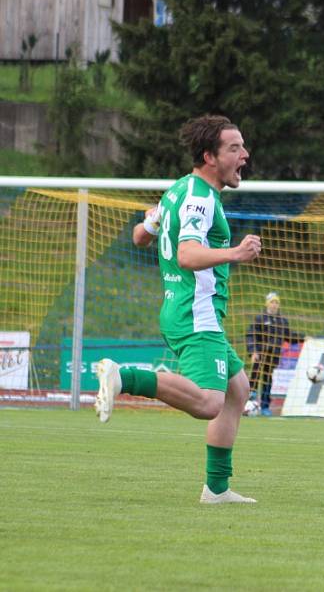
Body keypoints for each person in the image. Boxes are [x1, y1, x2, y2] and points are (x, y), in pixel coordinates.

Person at [94, 114, 262, 504]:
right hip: (196, 312)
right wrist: (236, 252)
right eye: (234, 148)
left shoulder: (179, 190)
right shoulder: (201, 199)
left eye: (242, 146)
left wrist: (156, 222)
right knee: (208, 402)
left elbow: (139, 235)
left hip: (182, 307)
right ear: (209, 156)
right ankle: (123, 377)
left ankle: (217, 490)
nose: (244, 155)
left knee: (237, 389)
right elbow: (186, 254)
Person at [246, 291, 305, 416]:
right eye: (272, 302)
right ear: (267, 303)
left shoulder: (282, 321)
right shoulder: (260, 318)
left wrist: (303, 338)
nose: (274, 305)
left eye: (276, 302)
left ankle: (265, 406)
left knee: (268, 379)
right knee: (255, 376)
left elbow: (289, 336)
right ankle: (249, 403)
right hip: (260, 353)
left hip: (273, 355)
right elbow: (251, 336)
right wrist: (253, 352)